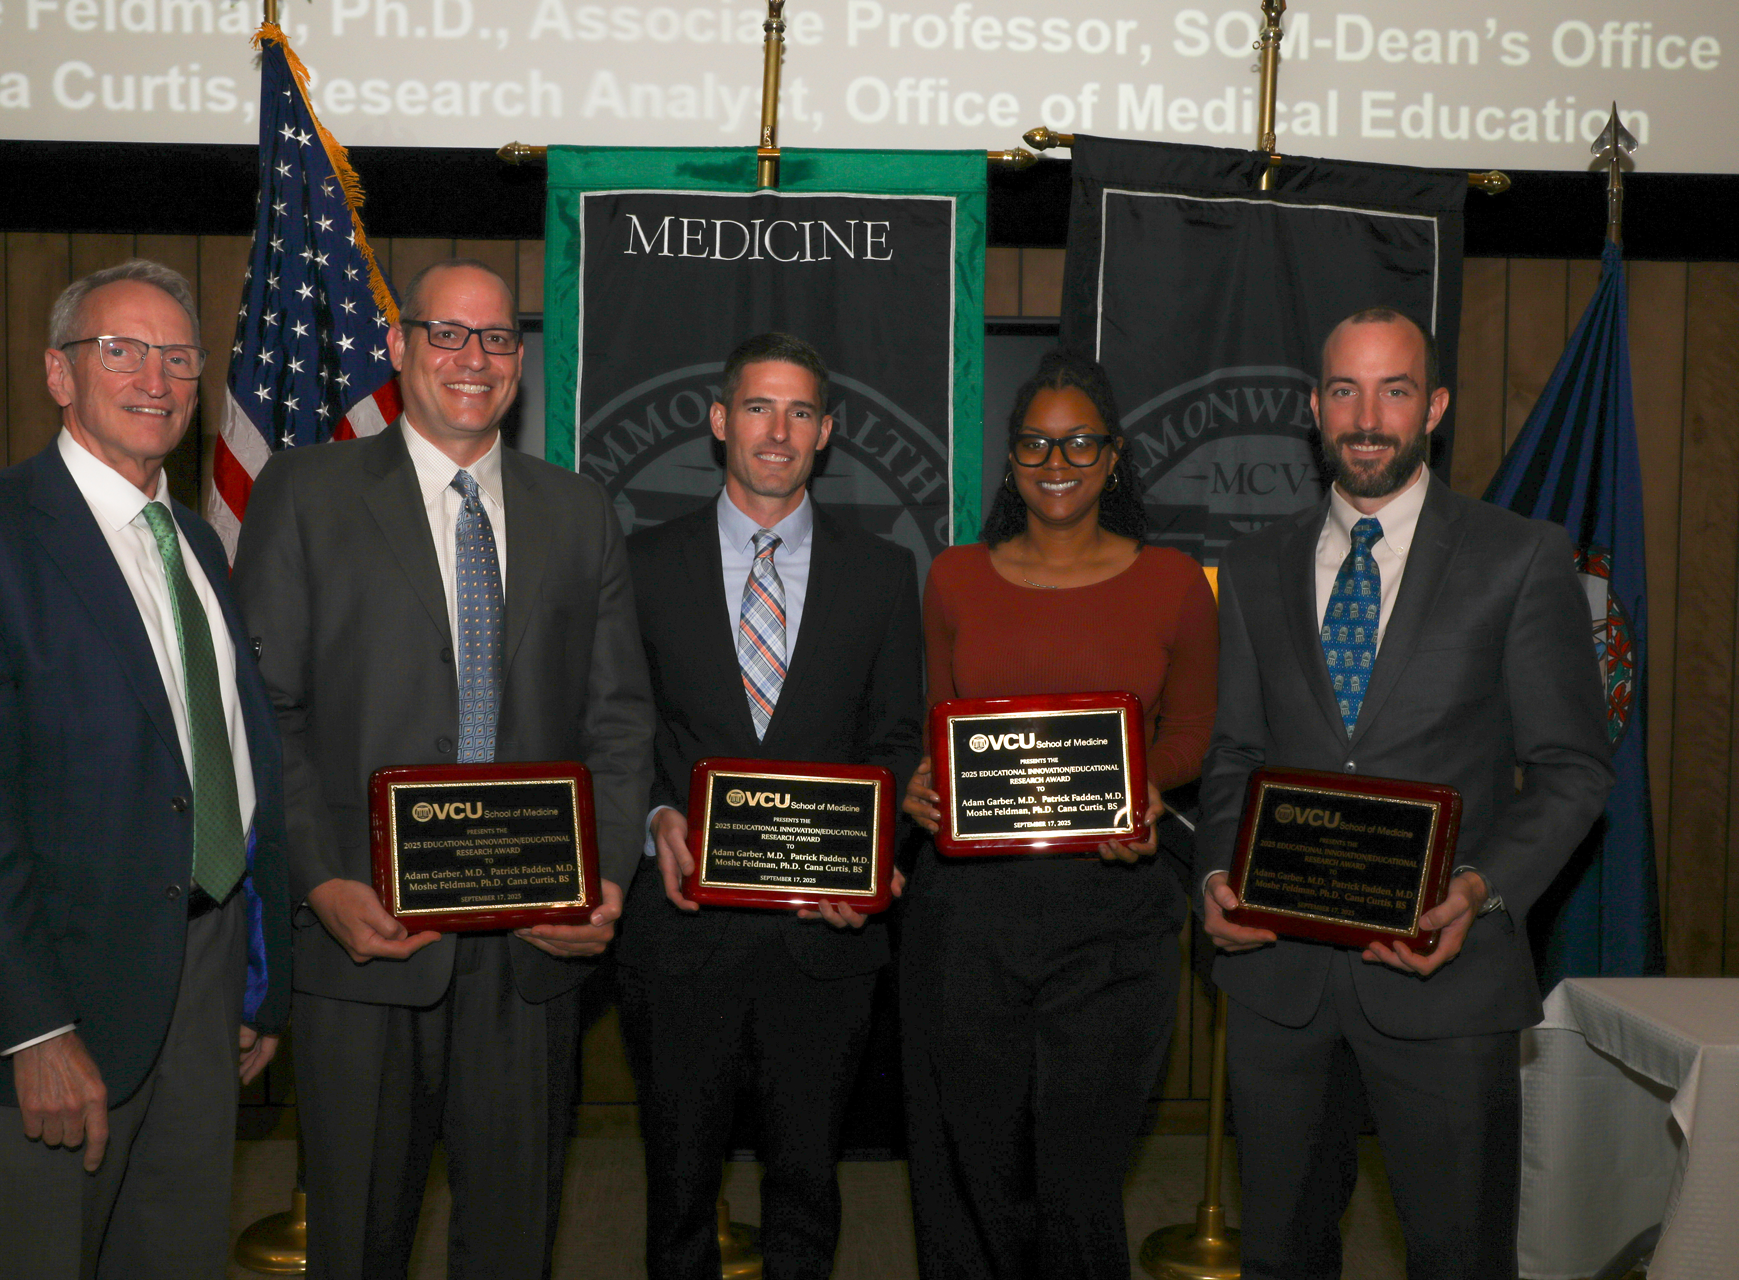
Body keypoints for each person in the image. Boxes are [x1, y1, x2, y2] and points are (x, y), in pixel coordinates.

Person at [231, 258, 654, 1280]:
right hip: (361, 938)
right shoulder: (305, 490)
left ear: (520, 357)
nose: (475, 358)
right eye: (448, 334)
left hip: (530, 951)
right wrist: (322, 879)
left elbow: (618, 716)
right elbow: (265, 709)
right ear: (400, 346)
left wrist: (603, 879)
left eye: (498, 338)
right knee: (359, 1238)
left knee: (512, 1240)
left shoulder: (577, 508)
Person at [0, 259, 290, 1280]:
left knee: (178, 1255)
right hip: (59, 997)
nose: (154, 377)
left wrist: (253, 976)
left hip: (199, 988)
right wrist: (34, 1027)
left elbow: (230, 766)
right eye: (120, 349)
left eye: (178, 357)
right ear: (60, 375)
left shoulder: (197, 541)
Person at [1197, 308, 1615, 1280]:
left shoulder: (1519, 556)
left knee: (1457, 1254)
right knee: (1282, 1253)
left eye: (1393, 390)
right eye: (1344, 389)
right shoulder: (1256, 565)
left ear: (1434, 406)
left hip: (1446, 981)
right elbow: (1234, 755)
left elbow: (1572, 768)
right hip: (1279, 984)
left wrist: (1479, 888)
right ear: (1315, 407)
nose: (1367, 415)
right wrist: (1218, 870)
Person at [900, 349, 1218, 1279]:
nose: (1057, 461)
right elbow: (941, 729)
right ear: (1010, 457)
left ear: (1115, 455)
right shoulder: (956, 577)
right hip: (969, 917)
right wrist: (926, 785)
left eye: (1081, 441)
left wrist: (1143, 787)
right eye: (1035, 443)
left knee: (1081, 1182)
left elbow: (1194, 731)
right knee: (978, 1173)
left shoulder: (1171, 583)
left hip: (1113, 918)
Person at [616, 332, 925, 1280]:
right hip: (681, 930)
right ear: (719, 421)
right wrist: (655, 818)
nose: (777, 431)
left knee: (806, 1187)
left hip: (820, 939)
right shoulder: (637, 562)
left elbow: (896, 739)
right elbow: (620, 725)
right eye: (758, 407)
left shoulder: (880, 573)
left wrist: (866, 866)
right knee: (676, 1189)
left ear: (826, 433)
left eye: (799, 413)